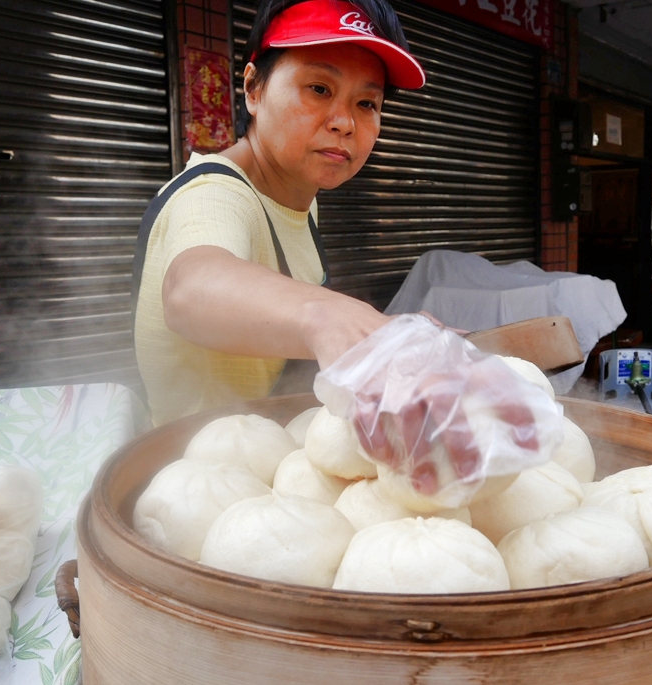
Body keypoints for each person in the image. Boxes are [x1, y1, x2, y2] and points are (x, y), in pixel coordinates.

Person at [133, 0, 543, 493]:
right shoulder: (215, 193)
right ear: (253, 89)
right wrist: (329, 317)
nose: (344, 121)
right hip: (197, 488)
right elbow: (191, 285)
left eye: (366, 103)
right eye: (319, 89)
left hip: (270, 477)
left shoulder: (295, 194)